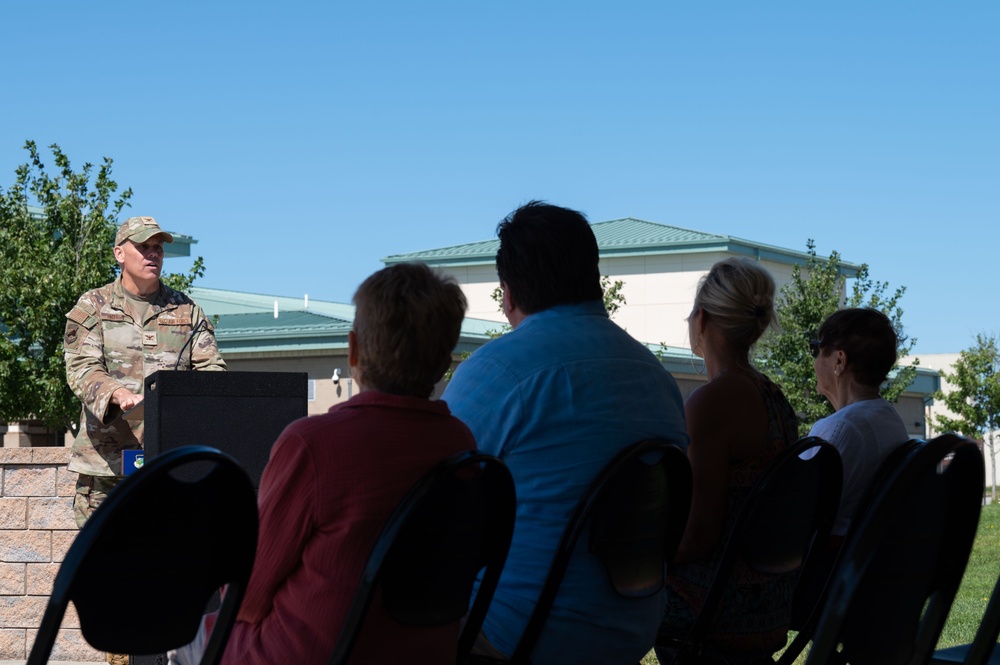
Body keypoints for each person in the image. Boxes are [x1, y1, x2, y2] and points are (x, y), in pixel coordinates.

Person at [442, 201, 688, 664]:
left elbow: (431, 496)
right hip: (632, 629)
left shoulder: (497, 371)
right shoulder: (657, 379)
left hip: (517, 633)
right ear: (593, 278)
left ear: (507, 294)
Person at [219, 262, 475, 665]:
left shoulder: (312, 444)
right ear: (445, 363)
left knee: (187, 635)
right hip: (427, 653)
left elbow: (246, 599)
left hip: (314, 654)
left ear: (353, 349)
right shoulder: (460, 444)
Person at [657, 257, 798, 665]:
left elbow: (699, 535)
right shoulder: (775, 398)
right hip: (769, 607)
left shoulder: (711, 403)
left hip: (713, 611)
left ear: (700, 319)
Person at [64, 216, 226, 529]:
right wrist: (118, 395)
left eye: (158, 248)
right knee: (105, 568)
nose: (153, 253)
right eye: (143, 246)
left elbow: (212, 370)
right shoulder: (93, 305)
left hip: (172, 465)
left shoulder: (186, 310)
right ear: (119, 253)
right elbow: (83, 367)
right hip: (107, 467)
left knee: (167, 565)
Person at [808, 307, 910, 538]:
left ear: (839, 360)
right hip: (867, 563)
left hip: (826, 565)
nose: (814, 361)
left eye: (816, 349)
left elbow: (793, 513)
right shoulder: (889, 420)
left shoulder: (841, 429)